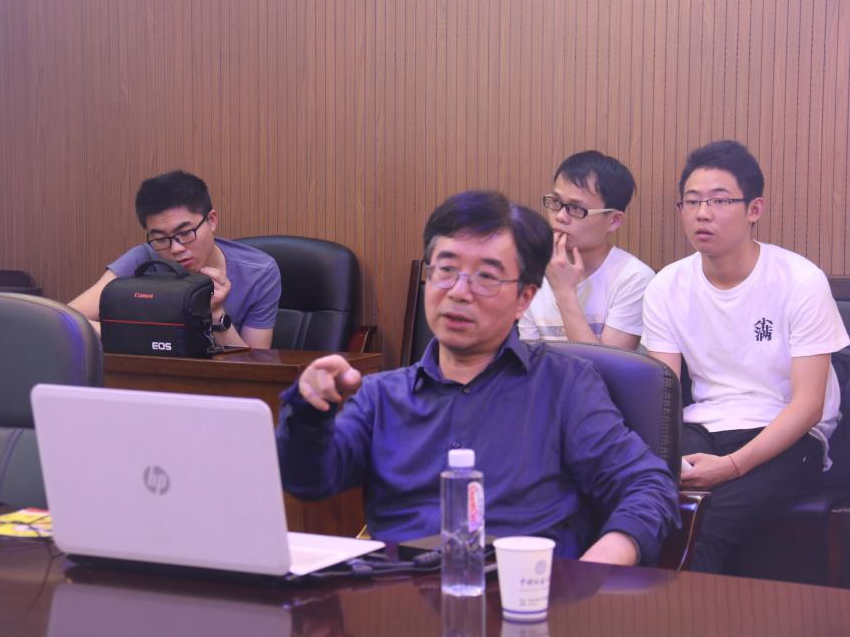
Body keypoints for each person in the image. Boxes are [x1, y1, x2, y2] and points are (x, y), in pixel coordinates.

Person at [276, 190, 679, 565]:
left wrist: (596, 568)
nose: (458, 291)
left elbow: (646, 486)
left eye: (486, 276)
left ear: (524, 298)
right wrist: (310, 410)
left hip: (525, 594)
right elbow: (308, 481)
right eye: (446, 270)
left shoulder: (564, 386)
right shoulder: (382, 395)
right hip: (398, 594)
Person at [642, 140, 850, 573]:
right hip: (703, 427)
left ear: (754, 209)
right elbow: (663, 395)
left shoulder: (800, 281)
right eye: (692, 201)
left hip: (790, 436)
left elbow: (808, 405)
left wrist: (732, 467)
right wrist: (670, 456)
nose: (702, 213)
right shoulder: (666, 286)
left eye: (719, 201)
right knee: (649, 503)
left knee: (704, 524)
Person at [68, 170, 281, 348]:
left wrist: (216, 313)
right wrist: (138, 335)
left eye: (186, 233)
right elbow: (64, 320)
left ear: (211, 220)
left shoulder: (259, 272)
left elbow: (255, 368)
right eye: (161, 239)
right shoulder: (144, 260)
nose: (176, 248)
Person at [518, 151, 653, 349]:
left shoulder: (633, 278)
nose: (560, 216)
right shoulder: (532, 271)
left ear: (613, 221)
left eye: (576, 208)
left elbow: (607, 366)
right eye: (556, 202)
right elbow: (529, 359)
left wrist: (564, 292)